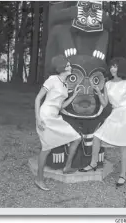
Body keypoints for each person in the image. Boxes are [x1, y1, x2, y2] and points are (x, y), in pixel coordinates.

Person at [79, 57, 126, 187]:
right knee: (97, 136)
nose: (112, 69)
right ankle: (93, 163)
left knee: (123, 146)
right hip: (115, 113)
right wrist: (99, 92)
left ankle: (123, 175)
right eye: (111, 66)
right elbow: (105, 103)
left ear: (120, 68)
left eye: (115, 66)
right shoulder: (108, 84)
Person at [34, 55, 83, 191]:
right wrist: (38, 118)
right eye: (68, 65)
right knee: (46, 149)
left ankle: (67, 167)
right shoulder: (52, 80)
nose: (70, 67)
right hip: (45, 117)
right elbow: (38, 98)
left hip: (55, 117)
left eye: (69, 65)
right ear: (61, 67)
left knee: (77, 138)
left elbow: (61, 106)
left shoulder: (65, 83)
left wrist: (73, 95)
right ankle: (39, 179)